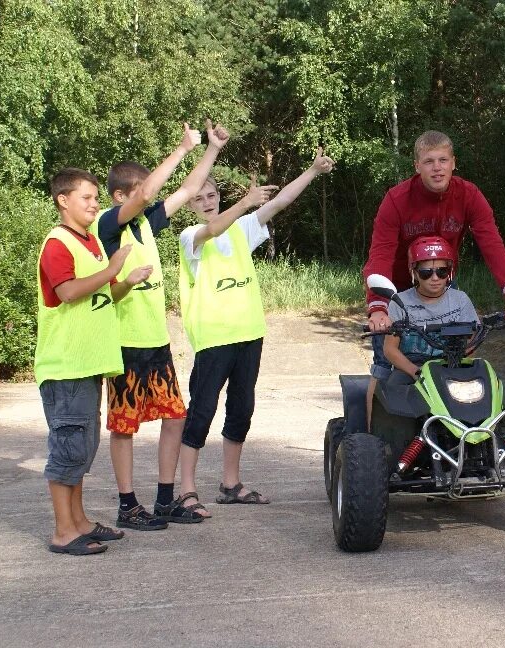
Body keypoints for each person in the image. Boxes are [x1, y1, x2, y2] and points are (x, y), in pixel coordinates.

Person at [174, 148, 334, 516]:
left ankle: (230, 484)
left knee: (241, 408)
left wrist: (311, 170)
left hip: (248, 334)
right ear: (190, 206)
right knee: (201, 410)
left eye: (211, 195)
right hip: (214, 338)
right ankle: (186, 491)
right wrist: (245, 201)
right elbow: (214, 228)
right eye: (198, 198)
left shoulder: (243, 230)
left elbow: (280, 202)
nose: (207, 202)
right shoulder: (191, 235)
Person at [92, 121, 230, 531]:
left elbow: (187, 190)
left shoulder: (146, 224)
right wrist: (182, 147)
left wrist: (210, 151)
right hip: (124, 345)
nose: (147, 198)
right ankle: (127, 505)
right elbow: (151, 191)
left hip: (156, 343)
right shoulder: (108, 224)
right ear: (120, 197)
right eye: (138, 193)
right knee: (124, 426)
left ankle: (166, 499)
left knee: (175, 418)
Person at [362, 130, 505, 414]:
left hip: (440, 283)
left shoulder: (468, 195)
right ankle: (368, 441)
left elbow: (492, 244)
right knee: (384, 367)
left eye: (443, 160)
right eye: (429, 161)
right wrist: (377, 308)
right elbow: (380, 253)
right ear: (417, 166)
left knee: (453, 363)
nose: (437, 167)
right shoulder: (397, 199)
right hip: (394, 291)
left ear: (454, 162)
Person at [36, 168, 152, 554]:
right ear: (63, 201)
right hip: (65, 367)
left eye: (96, 197)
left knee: (82, 449)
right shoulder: (57, 243)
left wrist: (125, 281)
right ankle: (63, 531)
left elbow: (104, 296)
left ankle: (80, 521)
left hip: (88, 366)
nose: (94, 203)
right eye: (85, 197)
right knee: (67, 449)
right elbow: (68, 292)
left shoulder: (91, 244)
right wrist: (111, 270)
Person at [383, 236, 479, 379]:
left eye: (442, 272)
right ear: (414, 272)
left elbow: (471, 343)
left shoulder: (460, 299)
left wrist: (459, 368)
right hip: (412, 370)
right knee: (391, 390)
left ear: (449, 272)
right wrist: (416, 372)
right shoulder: (400, 302)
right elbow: (390, 349)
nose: (435, 278)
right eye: (426, 273)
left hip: (452, 368)